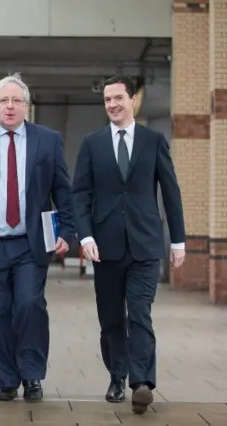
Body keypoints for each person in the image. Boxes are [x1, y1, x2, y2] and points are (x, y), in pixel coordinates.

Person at [0, 73, 75, 403]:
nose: (9, 106)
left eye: (16, 100)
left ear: (26, 106)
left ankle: (32, 374)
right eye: (3, 101)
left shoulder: (47, 140)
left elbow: (63, 190)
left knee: (30, 305)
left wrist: (66, 231)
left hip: (29, 243)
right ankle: (7, 377)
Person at [71, 75, 185, 414]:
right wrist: (86, 235)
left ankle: (142, 382)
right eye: (107, 99)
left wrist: (177, 240)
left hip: (145, 245)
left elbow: (171, 191)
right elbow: (80, 194)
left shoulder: (153, 141)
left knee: (139, 314)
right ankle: (117, 375)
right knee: (110, 319)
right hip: (105, 247)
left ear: (133, 100)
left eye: (118, 97)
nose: (112, 104)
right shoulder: (92, 143)